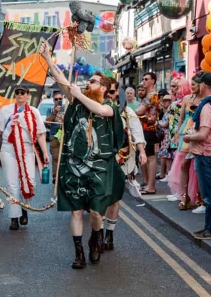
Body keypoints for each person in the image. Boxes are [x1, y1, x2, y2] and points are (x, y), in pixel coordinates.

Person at [40, 42, 124, 268]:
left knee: (97, 213)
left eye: (94, 82)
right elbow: (60, 78)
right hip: (74, 166)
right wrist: (48, 57)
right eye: (89, 81)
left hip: (98, 168)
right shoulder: (77, 99)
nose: (89, 83)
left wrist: (78, 94)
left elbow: (100, 111)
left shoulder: (109, 106)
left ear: (104, 88)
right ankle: (78, 253)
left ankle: (95, 237)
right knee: (75, 211)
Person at [0, 85, 49, 231]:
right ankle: (14, 218)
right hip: (8, 149)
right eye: (17, 93)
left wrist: (45, 153)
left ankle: (24, 208)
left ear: (28, 95)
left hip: (27, 149)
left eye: (22, 93)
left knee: (29, 182)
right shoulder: (5, 110)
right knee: (11, 184)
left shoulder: (33, 112)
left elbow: (40, 133)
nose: (19, 95)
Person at [101, 79, 146, 251]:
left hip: (121, 160)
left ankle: (109, 234)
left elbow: (137, 133)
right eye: (107, 93)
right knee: (101, 198)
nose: (110, 96)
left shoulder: (127, 112)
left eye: (113, 92)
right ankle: (98, 232)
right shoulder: (97, 110)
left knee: (114, 198)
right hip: (101, 161)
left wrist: (141, 152)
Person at [183, 72, 211, 240]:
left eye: (199, 84)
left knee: (209, 195)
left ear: (203, 86)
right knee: (209, 193)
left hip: (206, 154)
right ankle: (209, 227)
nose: (197, 86)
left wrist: (188, 137)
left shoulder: (207, 107)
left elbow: (203, 135)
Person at [167, 73, 203, 211]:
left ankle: (198, 196)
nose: (193, 87)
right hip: (185, 134)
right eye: (191, 84)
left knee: (197, 166)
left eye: (195, 84)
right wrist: (177, 133)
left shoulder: (205, 100)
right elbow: (181, 118)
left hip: (197, 133)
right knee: (183, 164)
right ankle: (184, 195)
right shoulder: (187, 99)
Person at [136, 72, 159, 194]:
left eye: (146, 79)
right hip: (144, 129)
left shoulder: (152, 96)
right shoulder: (148, 96)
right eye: (143, 79)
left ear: (153, 81)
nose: (143, 81)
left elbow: (139, 111)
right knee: (146, 157)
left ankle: (151, 186)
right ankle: (148, 184)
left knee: (150, 157)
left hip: (149, 130)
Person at [45, 91, 65, 184]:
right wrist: (55, 112)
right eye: (56, 99)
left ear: (63, 99)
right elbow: (47, 122)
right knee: (56, 158)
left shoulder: (67, 108)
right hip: (54, 137)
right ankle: (56, 178)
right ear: (53, 100)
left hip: (65, 137)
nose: (58, 101)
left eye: (60, 99)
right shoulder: (50, 109)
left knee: (66, 158)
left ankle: (64, 177)